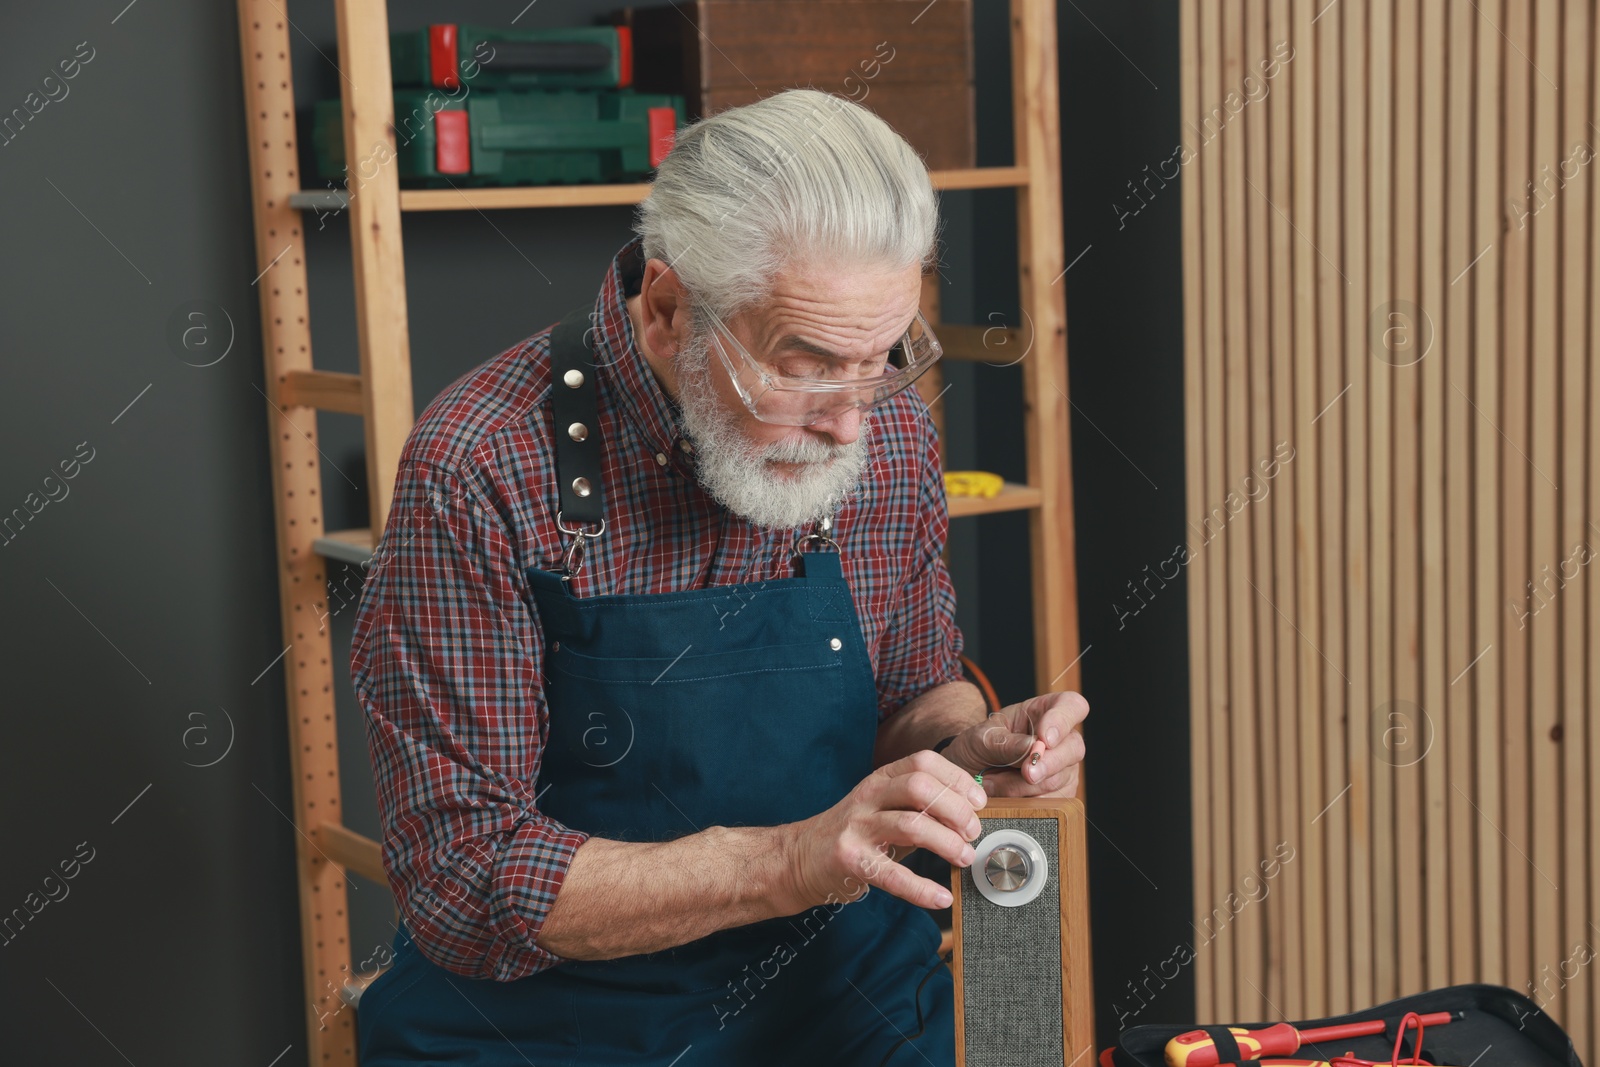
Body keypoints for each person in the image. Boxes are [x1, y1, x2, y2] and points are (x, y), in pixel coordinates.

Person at [350, 87, 1089, 1066]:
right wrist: (787, 860)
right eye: (809, 367)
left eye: (880, 364)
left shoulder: (886, 430)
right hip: (553, 1029)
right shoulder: (486, 465)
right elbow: (462, 875)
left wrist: (964, 749)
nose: (851, 427)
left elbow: (912, 684)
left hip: (842, 1003)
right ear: (666, 309)